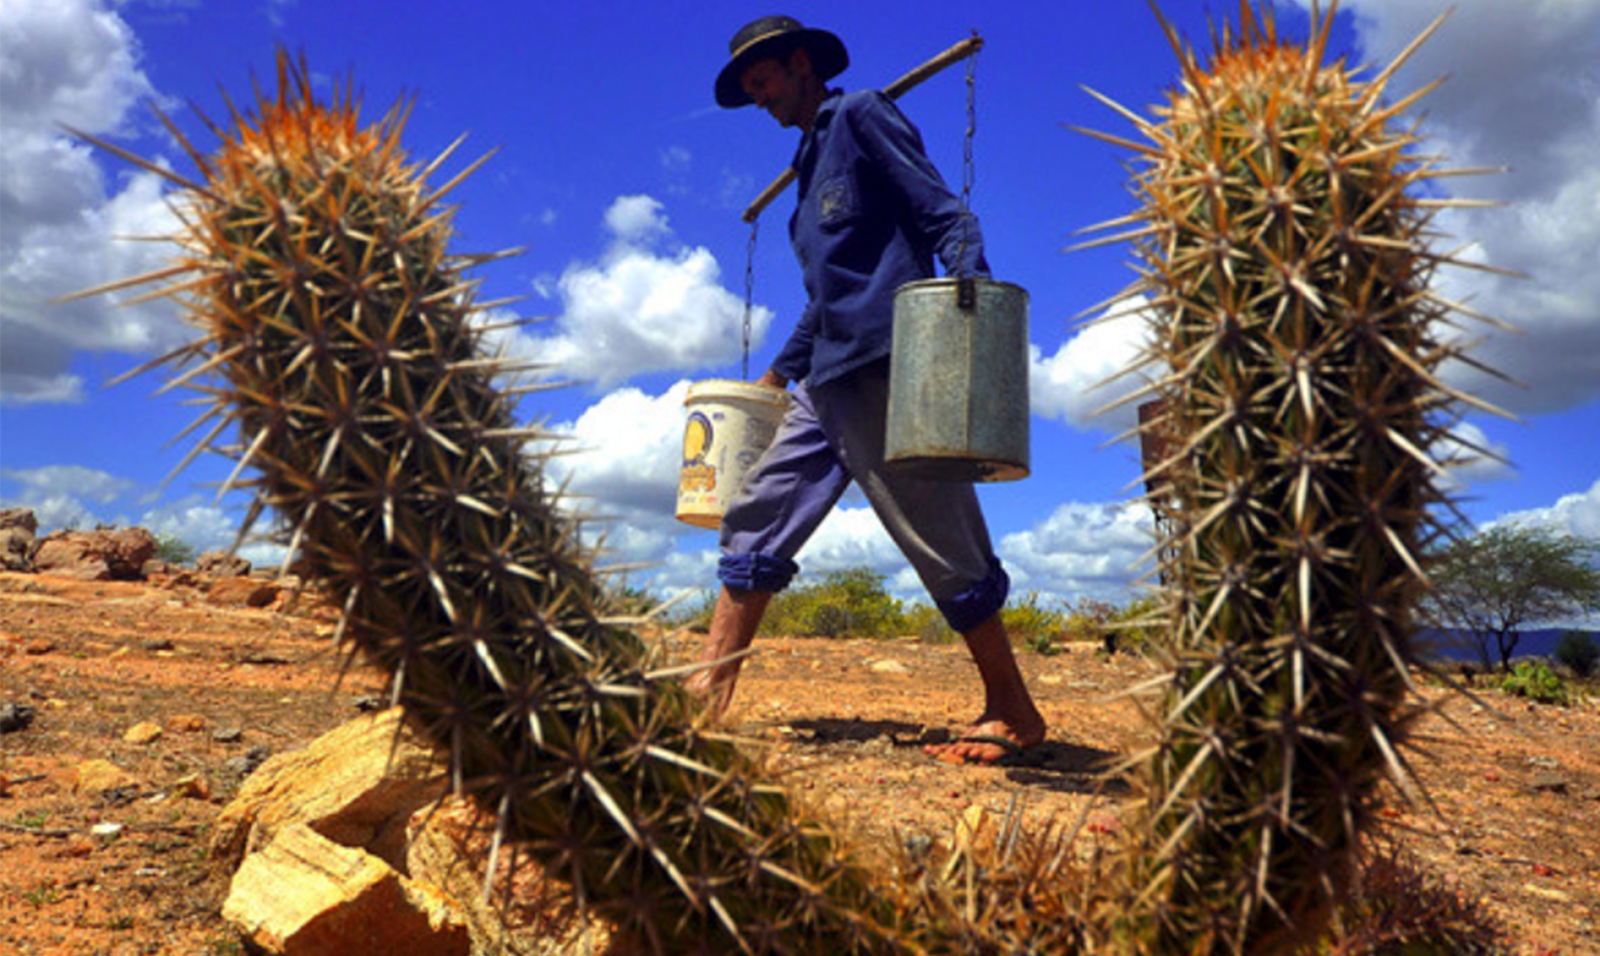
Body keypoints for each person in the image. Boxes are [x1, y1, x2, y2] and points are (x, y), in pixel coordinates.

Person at [689, 15, 1045, 766]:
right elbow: (827, 294)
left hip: (893, 362)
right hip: (827, 377)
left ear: (799, 66)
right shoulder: (807, 168)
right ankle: (703, 698)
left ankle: (1013, 711)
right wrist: (777, 375)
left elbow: (940, 211)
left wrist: (967, 307)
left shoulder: (859, 116)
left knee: (940, 539)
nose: (759, 101)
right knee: (757, 515)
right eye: (748, 91)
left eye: (764, 83)